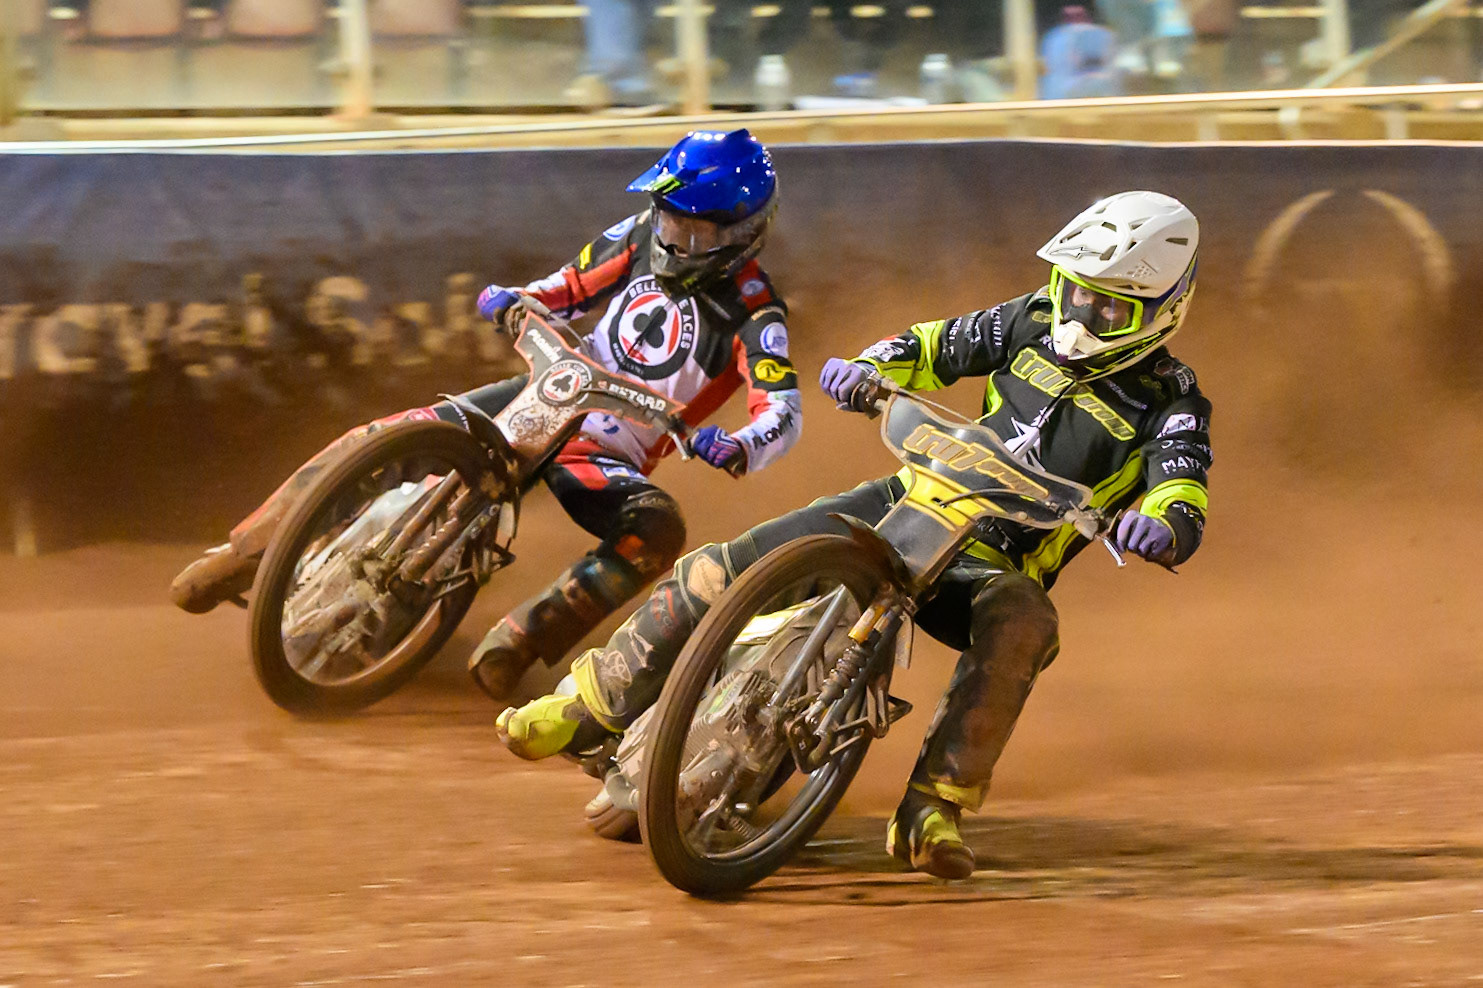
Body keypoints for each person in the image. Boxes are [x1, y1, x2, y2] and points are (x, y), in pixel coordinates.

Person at [495, 190, 1212, 879]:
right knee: (720, 567)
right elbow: (933, 345)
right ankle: (586, 706)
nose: (1082, 312)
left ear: (1162, 311)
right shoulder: (1027, 319)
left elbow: (1183, 484)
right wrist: (870, 366)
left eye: (1111, 303)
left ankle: (932, 809)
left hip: (988, 560)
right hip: (905, 496)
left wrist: (1161, 526)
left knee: (1023, 619)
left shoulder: (1171, 402)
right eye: (1076, 288)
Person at [170, 128, 803, 703]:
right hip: (548, 386)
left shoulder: (755, 313)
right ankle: (246, 550)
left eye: (695, 231)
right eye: (669, 219)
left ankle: (524, 637)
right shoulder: (638, 232)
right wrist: (517, 299)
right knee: (389, 437)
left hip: (607, 450)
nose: (674, 237)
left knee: (658, 528)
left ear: (743, 232)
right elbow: (566, 287)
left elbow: (781, 409)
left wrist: (744, 445)